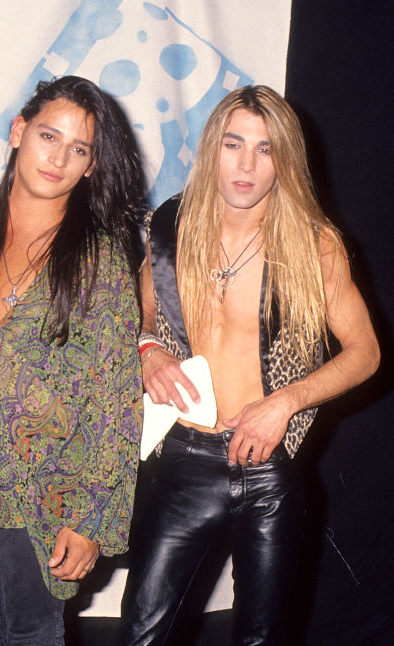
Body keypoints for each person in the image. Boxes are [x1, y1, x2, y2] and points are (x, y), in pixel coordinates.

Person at [120, 85, 380, 645]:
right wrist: (150, 351)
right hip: (184, 460)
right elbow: (138, 322)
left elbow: (367, 352)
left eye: (266, 150)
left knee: (262, 638)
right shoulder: (168, 228)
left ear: (284, 159)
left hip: (268, 464)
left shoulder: (314, 245)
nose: (247, 165)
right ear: (213, 146)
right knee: (142, 633)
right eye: (234, 144)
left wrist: (285, 403)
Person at [0, 75, 144, 644]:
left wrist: (91, 520)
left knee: (31, 634)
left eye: (79, 149)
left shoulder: (96, 258)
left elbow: (117, 403)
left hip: (47, 493)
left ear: (92, 166)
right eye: (49, 136)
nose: (58, 158)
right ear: (17, 132)